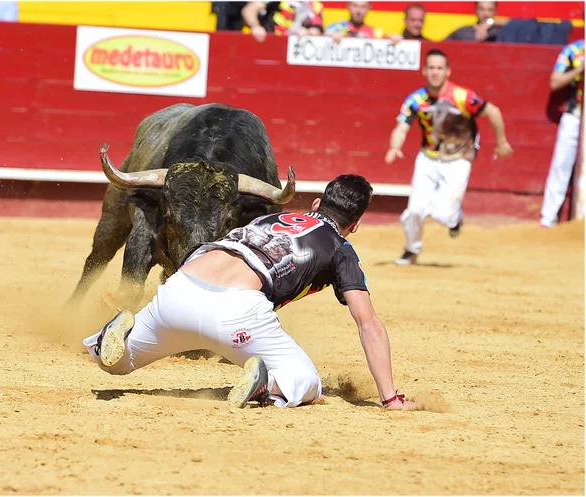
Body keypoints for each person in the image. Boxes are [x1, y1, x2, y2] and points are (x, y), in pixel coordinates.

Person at [83, 174, 419, 411]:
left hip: (179, 288)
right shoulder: (340, 248)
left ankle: (115, 337)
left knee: (117, 365)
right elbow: (368, 323)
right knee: (306, 382)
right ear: (356, 224)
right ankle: (266, 384)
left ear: (317, 204)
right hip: (236, 311)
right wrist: (389, 398)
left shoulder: (270, 219)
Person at [385, 48, 514, 265]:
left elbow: (493, 112)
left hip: (459, 159)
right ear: (424, 71)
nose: (435, 72)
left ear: (448, 72)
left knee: (444, 214)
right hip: (428, 158)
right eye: (431, 68)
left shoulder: (463, 97)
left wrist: (501, 142)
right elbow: (401, 127)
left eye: (439, 68)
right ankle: (411, 249)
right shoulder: (417, 99)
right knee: (415, 210)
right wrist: (394, 146)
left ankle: (455, 218)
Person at [540, 39, 585, 228]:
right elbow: (555, 81)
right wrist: (579, 70)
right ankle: (547, 220)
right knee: (560, 166)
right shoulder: (574, 50)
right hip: (575, 115)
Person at [242, 1, 324, 43]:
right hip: (267, 43)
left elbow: (317, 29)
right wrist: (256, 26)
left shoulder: (314, 5)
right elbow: (249, 9)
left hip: (290, 50)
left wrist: (307, 33)